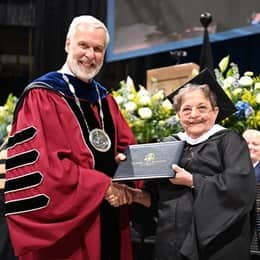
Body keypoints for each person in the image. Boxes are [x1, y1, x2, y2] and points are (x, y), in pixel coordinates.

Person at [4, 15, 139, 260]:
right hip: (70, 230)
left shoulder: (104, 99)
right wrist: (102, 186)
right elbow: (43, 167)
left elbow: (127, 148)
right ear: (68, 44)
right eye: (83, 45)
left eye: (98, 49)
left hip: (110, 217)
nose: (90, 54)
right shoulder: (42, 95)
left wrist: (136, 176)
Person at [125, 69, 256, 260]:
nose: (194, 114)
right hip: (170, 242)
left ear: (215, 111)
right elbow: (155, 198)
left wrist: (192, 180)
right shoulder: (167, 145)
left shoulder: (229, 141)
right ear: (178, 114)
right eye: (186, 109)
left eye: (202, 108)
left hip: (216, 243)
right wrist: (133, 190)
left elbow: (239, 188)